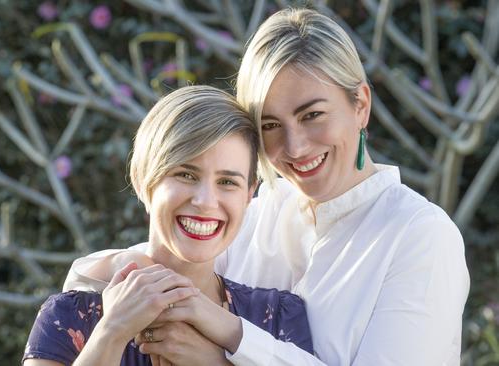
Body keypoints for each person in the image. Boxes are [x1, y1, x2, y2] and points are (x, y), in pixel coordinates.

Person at [63, 7, 470, 366]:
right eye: (271, 125)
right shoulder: (257, 214)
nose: (294, 146)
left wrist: (225, 348)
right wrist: (119, 282)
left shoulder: (420, 235)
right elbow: (118, 274)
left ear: (360, 105)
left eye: (312, 114)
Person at [22, 86, 314, 366]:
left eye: (227, 182)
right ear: (143, 181)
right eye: (186, 175)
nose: (206, 201)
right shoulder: (68, 317)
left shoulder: (277, 318)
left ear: (249, 194)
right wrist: (112, 332)